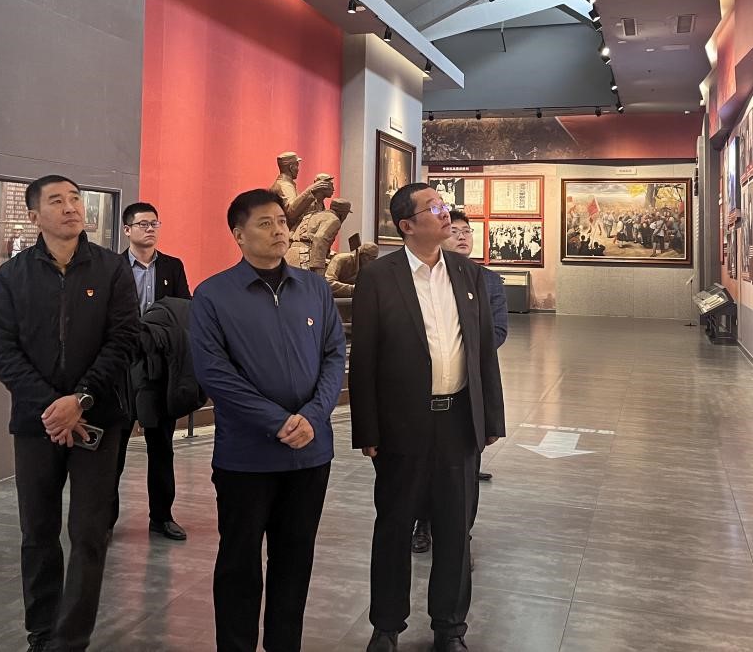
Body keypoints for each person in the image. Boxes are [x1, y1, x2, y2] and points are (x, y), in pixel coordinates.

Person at [350, 184, 506, 652]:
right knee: (394, 526)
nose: (444, 213)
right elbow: (365, 360)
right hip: (402, 424)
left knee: (455, 530)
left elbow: (482, 353)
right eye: (434, 207)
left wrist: (490, 418)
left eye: (443, 205)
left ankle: (450, 628)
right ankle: (386, 626)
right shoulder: (379, 278)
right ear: (407, 225)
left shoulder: (468, 274)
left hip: (458, 420)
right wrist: (367, 429)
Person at [0, 175, 141, 652]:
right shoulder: (12, 276)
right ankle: (41, 631)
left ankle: (71, 639)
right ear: (35, 216)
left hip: (98, 417)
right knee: (37, 531)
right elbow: (3, 353)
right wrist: (53, 407)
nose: (72, 207)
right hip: (37, 423)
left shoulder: (111, 269)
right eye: (57, 201)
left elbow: (124, 339)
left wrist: (81, 400)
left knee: (90, 532)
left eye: (75, 198)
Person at [190, 189, 347, 652]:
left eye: (281, 221)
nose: (280, 230)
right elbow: (214, 373)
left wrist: (312, 416)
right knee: (238, 564)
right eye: (265, 223)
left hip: (310, 454)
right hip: (246, 457)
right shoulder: (214, 295)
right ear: (238, 235)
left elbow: (334, 356)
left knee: (294, 562)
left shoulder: (314, 289)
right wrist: (277, 421)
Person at [411, 209, 509, 555]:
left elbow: (498, 331)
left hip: (467, 387)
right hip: (424, 388)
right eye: (454, 230)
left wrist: (457, 348)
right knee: (424, 463)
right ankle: (423, 522)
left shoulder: (488, 280)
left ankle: (459, 536)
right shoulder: (418, 279)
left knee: (464, 471)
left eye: (467, 230)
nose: (463, 236)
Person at [109, 202, 193, 541]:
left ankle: (162, 517)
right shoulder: (112, 267)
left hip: (160, 368)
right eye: (143, 224)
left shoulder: (173, 266)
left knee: (161, 447)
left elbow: (184, 311)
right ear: (127, 229)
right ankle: (105, 519)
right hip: (121, 369)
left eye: (154, 223)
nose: (150, 229)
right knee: (114, 448)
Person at [270, 151, 334, 228]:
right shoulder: (285, 185)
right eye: (297, 166)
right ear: (291, 168)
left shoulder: (286, 184)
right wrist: (311, 189)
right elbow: (291, 212)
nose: (298, 169)